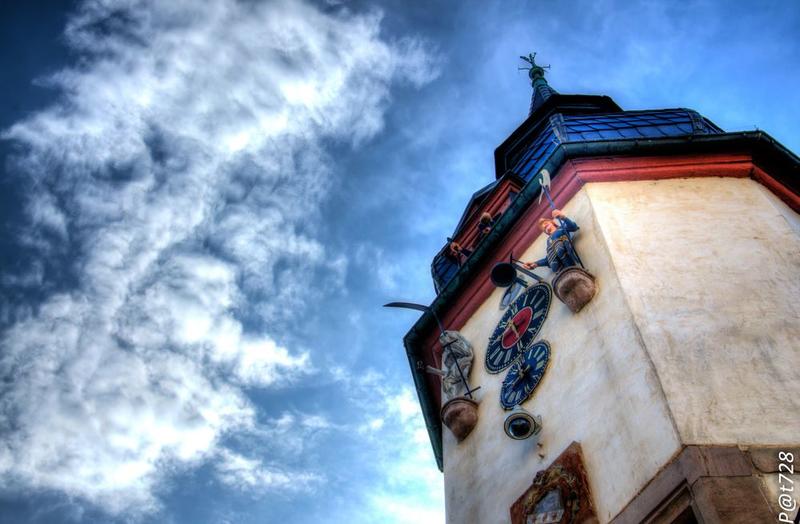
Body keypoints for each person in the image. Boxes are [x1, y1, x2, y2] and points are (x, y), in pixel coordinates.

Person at [521, 209, 581, 274]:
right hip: (557, 258)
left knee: (558, 247)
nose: (544, 226)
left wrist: (563, 217)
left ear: (552, 222)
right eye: (543, 228)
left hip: (563, 250)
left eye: (545, 223)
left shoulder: (561, 228)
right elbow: (547, 259)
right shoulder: (548, 240)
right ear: (546, 232)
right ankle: (559, 269)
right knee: (551, 254)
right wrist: (536, 264)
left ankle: (570, 268)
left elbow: (573, 227)